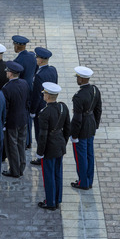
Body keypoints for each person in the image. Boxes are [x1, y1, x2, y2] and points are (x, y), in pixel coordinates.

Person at [35, 81, 70, 210]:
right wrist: (63, 142)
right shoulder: (63, 107)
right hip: (59, 145)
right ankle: (57, 198)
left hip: (49, 148)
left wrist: (40, 152)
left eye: (44, 93)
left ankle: (50, 202)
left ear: (48, 96)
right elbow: (67, 128)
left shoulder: (45, 112)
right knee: (58, 173)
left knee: (49, 176)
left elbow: (43, 135)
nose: (43, 95)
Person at [70, 66, 102, 190]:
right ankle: (89, 180)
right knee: (89, 154)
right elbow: (98, 109)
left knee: (81, 157)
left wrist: (74, 135)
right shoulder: (95, 90)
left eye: (78, 77)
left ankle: (83, 182)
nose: (77, 79)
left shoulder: (78, 96)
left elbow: (77, 119)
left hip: (82, 128)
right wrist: (95, 125)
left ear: (82, 79)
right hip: (91, 124)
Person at [1, 61, 30, 178]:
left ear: (11, 73)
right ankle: (22, 166)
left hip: (12, 122)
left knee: (11, 146)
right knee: (21, 144)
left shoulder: (6, 88)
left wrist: (3, 122)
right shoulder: (24, 83)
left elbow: (6, 108)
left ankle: (14, 170)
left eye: (7, 71)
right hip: (23, 119)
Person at [29, 46, 57, 165]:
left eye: (37, 57)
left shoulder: (39, 75)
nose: (35, 59)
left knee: (40, 133)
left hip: (40, 107)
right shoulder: (53, 70)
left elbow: (36, 95)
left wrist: (32, 111)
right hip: (51, 105)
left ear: (40, 60)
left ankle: (41, 157)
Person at [11, 35, 37, 146]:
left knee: (23, 115)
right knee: (28, 116)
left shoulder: (17, 61)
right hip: (31, 88)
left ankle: (25, 142)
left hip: (22, 90)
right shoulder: (32, 56)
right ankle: (29, 140)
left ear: (17, 46)